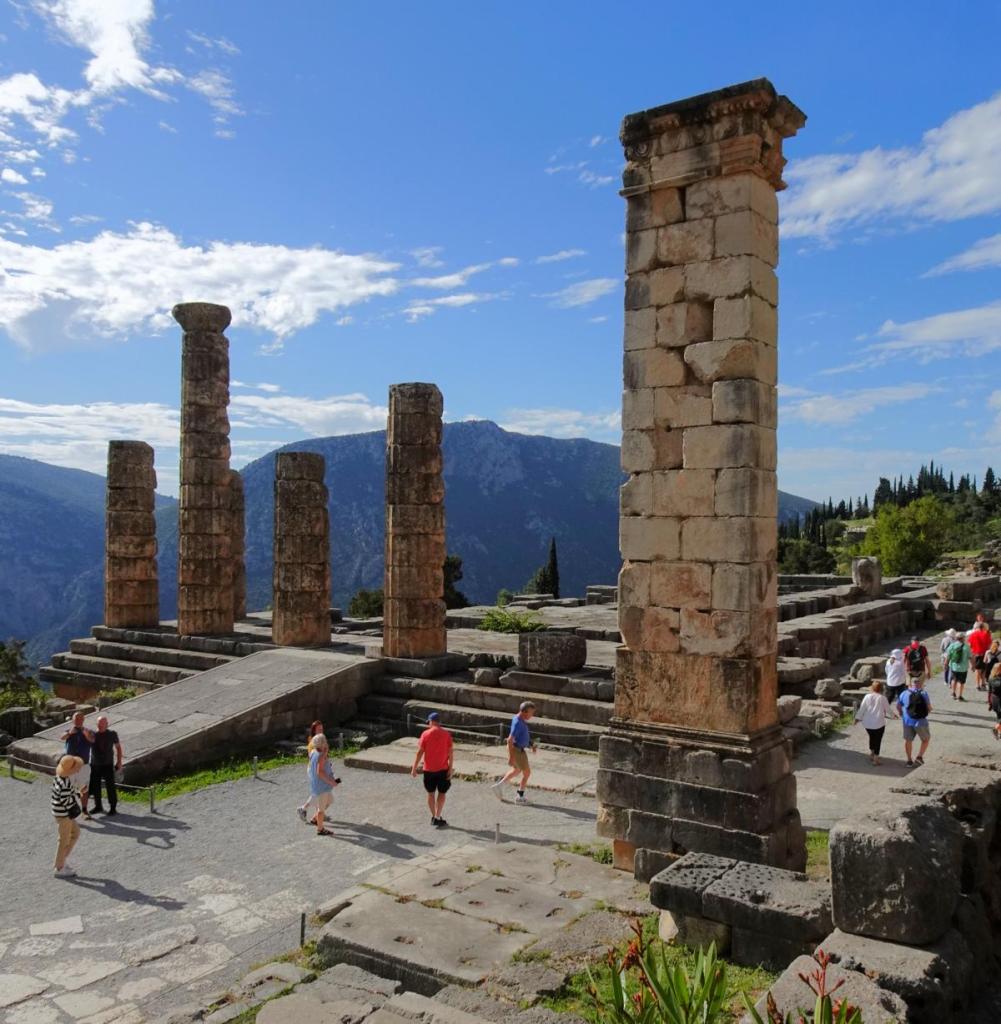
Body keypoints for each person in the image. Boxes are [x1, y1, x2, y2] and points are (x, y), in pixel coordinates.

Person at [411, 712, 454, 828]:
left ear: (430, 721)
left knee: (430, 794)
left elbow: (420, 752)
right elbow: (450, 753)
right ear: (439, 722)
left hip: (428, 770)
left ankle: (434, 816)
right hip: (443, 769)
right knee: (442, 793)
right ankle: (437, 816)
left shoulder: (425, 734)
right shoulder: (446, 735)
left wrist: (414, 768)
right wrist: (450, 768)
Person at [492, 701, 537, 804]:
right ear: (524, 712)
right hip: (517, 750)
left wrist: (531, 744)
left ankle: (499, 786)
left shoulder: (519, 719)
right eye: (531, 713)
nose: (532, 715)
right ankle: (520, 797)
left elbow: (522, 736)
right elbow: (510, 740)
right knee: (526, 772)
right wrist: (511, 757)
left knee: (516, 770)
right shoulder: (518, 722)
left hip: (519, 749)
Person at [52, 755, 84, 877]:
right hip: (64, 815)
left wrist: (76, 792)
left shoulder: (60, 778)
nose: (78, 769)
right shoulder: (65, 782)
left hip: (60, 813)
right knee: (64, 840)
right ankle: (60, 867)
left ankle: (61, 861)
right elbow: (66, 800)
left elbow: (65, 793)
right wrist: (76, 800)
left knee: (74, 834)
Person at [854, 679, 897, 766]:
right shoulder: (883, 698)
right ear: (881, 689)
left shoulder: (867, 696)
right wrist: (894, 716)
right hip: (879, 723)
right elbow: (888, 710)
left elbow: (862, 709)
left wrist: (857, 719)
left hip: (867, 723)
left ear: (872, 688)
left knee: (872, 737)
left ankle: (872, 753)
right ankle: (876, 759)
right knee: (878, 740)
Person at [61, 712, 94, 820]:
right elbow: (62, 737)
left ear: (83, 719)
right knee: (68, 789)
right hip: (70, 765)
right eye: (76, 719)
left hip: (83, 765)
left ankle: (84, 810)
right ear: (72, 720)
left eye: (80, 718)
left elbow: (93, 741)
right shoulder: (69, 730)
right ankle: (69, 811)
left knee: (84, 789)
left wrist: (86, 735)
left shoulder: (88, 731)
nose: (78, 720)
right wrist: (70, 733)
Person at [89, 716, 123, 815]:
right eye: (99, 725)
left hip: (108, 764)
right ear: (97, 725)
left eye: (103, 724)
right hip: (95, 764)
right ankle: (98, 806)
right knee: (96, 786)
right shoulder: (93, 735)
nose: (101, 726)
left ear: (107, 724)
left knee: (110, 786)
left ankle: (113, 807)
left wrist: (119, 761)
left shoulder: (112, 734)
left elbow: (118, 748)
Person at [306, 733, 339, 836]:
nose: (326, 742)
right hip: (322, 786)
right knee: (321, 809)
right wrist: (331, 782)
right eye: (325, 741)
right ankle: (320, 829)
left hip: (319, 785)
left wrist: (325, 752)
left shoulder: (313, 752)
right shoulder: (320, 756)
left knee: (329, 801)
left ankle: (315, 819)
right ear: (322, 743)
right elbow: (319, 772)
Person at [899, 676, 932, 767]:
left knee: (908, 740)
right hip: (920, 721)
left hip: (907, 721)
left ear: (910, 684)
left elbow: (898, 706)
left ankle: (909, 760)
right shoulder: (924, 693)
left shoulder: (904, 693)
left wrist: (902, 714)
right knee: (926, 739)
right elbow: (929, 708)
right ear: (920, 684)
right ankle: (919, 757)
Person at [297, 720, 325, 823]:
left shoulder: (320, 740)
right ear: (314, 731)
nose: (321, 731)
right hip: (314, 769)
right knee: (319, 793)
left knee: (320, 792)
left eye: (322, 729)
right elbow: (315, 758)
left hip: (318, 769)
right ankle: (304, 809)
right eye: (319, 729)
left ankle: (316, 812)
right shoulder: (313, 742)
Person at [946, 630, 971, 702]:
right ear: (963, 638)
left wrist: (946, 664)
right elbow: (970, 657)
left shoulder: (952, 645)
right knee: (961, 682)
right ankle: (959, 696)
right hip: (963, 668)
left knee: (954, 680)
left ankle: (953, 693)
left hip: (954, 667)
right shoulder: (966, 646)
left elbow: (948, 656)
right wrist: (973, 665)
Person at [968, 621, 993, 691]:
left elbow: (970, 645)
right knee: (984, 670)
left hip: (976, 654)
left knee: (977, 671)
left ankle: (977, 685)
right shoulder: (986, 634)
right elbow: (989, 645)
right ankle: (983, 683)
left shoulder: (972, 634)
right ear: (983, 627)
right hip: (985, 654)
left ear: (977, 627)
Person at [989, 663, 1001, 741]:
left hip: (994, 699)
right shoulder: (997, 680)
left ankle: (999, 732)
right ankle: (995, 729)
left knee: (999, 717)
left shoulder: (991, 678)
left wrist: (990, 703)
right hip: (999, 700)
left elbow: (989, 691)